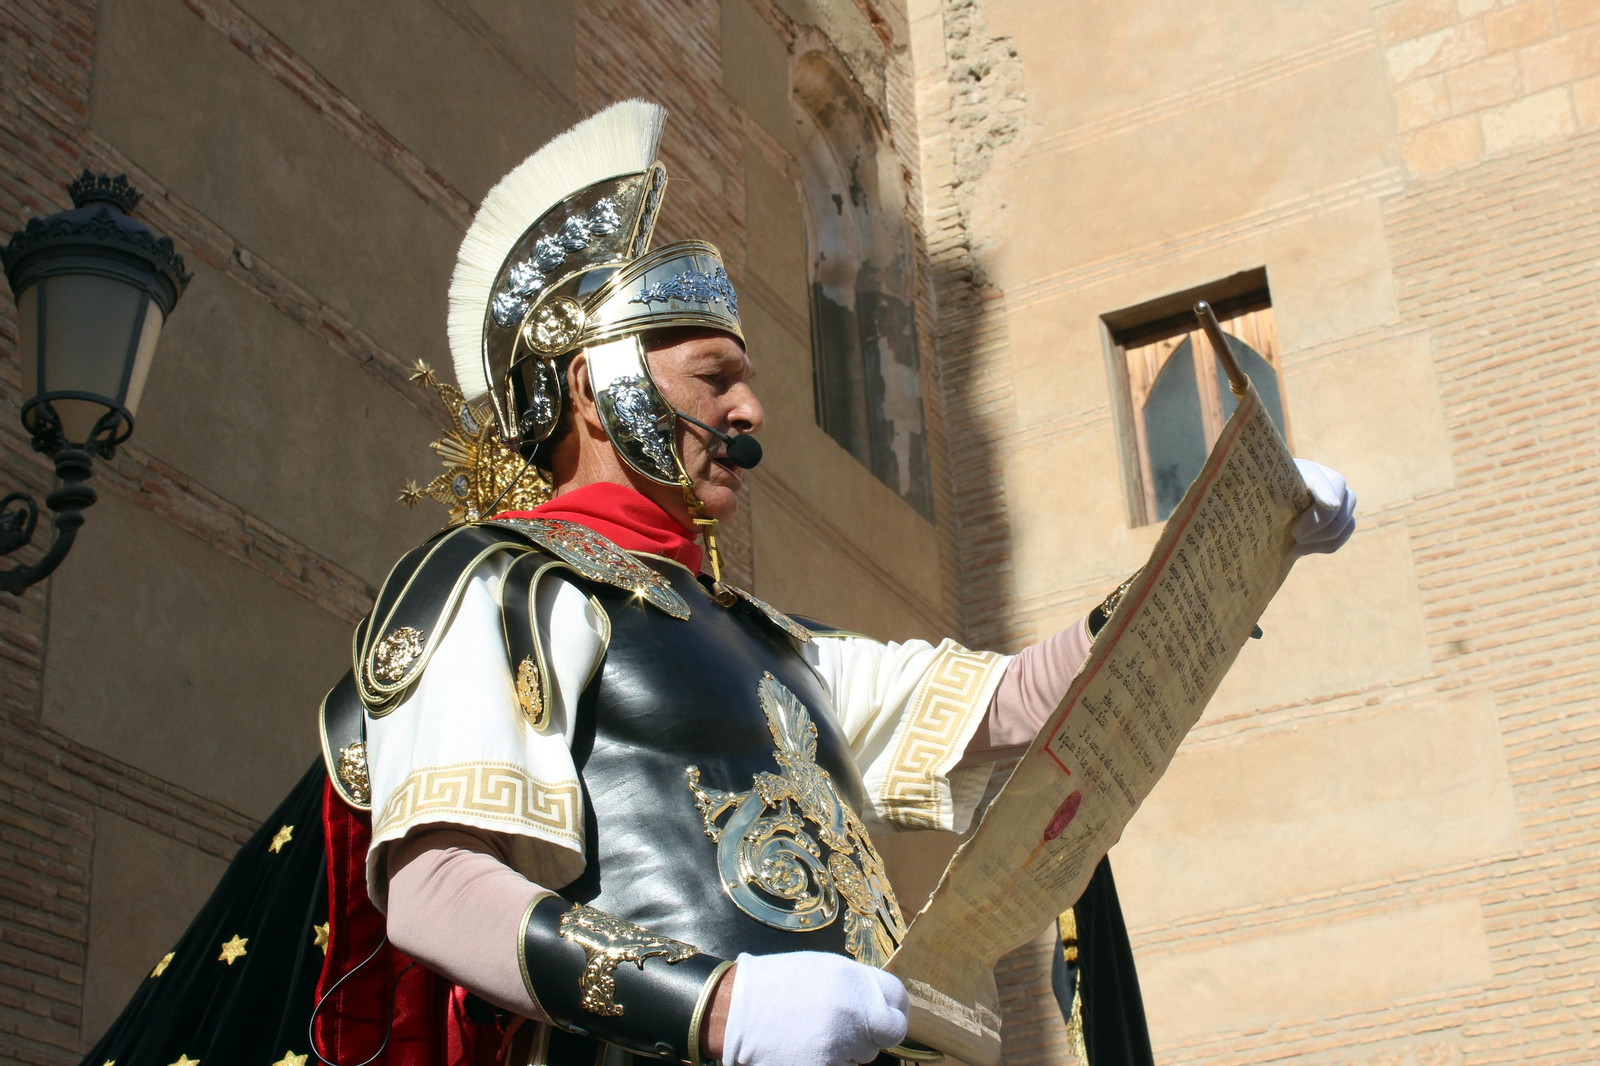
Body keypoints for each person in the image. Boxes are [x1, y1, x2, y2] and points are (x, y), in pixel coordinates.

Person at [82, 100, 1357, 1066]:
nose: (750, 410)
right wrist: (719, 1003)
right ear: (595, 384)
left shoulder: (770, 639)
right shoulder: (496, 579)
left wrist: (1227, 544)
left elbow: (1014, 704)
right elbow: (434, 884)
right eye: (711, 376)